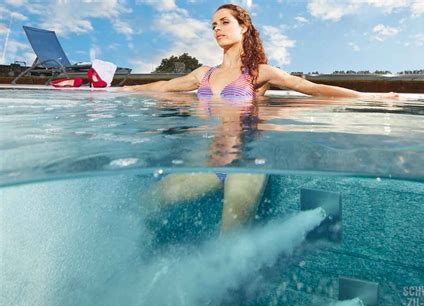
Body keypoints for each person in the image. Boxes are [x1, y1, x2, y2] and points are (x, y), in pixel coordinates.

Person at [125, 3, 397, 234]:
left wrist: (369, 98)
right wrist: (125, 89)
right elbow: (163, 86)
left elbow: (309, 88)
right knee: (143, 204)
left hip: (247, 163)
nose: (216, 29)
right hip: (210, 162)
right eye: (213, 25)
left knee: (228, 241)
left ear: (243, 27)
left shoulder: (258, 72)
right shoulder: (203, 73)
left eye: (224, 22)